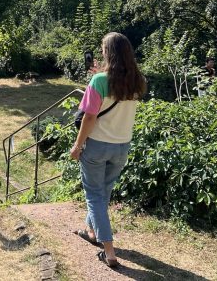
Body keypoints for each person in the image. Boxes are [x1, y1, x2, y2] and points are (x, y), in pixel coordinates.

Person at [70, 32, 146, 269]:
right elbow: (114, 92)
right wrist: (97, 78)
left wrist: (77, 145)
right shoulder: (137, 80)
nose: (101, 52)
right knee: (102, 193)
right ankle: (92, 232)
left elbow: (90, 116)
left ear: (109, 53)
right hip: (122, 146)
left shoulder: (99, 82)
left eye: (103, 48)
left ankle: (110, 252)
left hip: (97, 146)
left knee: (94, 195)